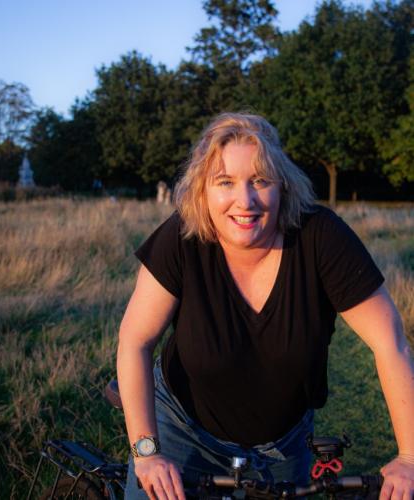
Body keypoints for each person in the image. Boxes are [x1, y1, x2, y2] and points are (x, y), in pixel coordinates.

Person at [116, 112, 414, 500]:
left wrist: (409, 455)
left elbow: (392, 345)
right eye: (225, 182)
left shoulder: (320, 237)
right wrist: (147, 452)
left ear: (283, 187)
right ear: (202, 191)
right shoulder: (181, 238)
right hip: (181, 431)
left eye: (260, 180)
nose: (246, 200)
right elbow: (134, 342)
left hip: (283, 448)